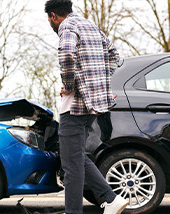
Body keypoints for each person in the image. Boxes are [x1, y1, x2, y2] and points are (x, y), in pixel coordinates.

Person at [44, 0, 129, 214]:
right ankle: (110, 199)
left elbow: (66, 54)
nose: (50, 24)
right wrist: (99, 84)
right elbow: (115, 56)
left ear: (54, 15)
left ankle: (74, 212)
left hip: (75, 106)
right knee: (75, 156)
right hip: (93, 104)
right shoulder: (90, 25)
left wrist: (69, 85)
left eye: (49, 20)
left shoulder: (67, 27)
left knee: (71, 165)